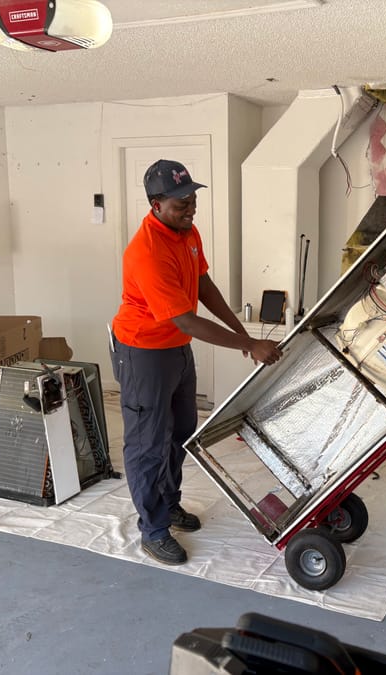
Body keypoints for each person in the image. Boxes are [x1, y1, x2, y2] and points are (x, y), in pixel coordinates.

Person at [110, 159, 283, 566]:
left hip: (176, 349)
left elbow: (203, 284)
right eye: (179, 204)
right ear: (155, 204)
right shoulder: (147, 251)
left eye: (191, 200)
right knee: (148, 443)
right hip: (144, 352)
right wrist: (247, 343)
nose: (189, 209)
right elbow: (184, 317)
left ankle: (168, 505)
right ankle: (152, 529)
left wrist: (241, 331)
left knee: (182, 430)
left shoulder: (186, 232)